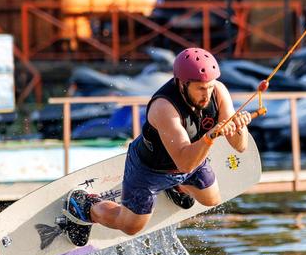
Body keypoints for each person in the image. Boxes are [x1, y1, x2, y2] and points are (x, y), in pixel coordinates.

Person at [64, 47, 252, 243]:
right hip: (150, 168)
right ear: (182, 84)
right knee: (130, 226)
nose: (207, 95)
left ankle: (177, 187)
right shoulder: (163, 107)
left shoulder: (219, 92)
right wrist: (211, 136)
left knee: (211, 200)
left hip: (191, 158)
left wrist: (239, 128)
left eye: (210, 87)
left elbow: (240, 146)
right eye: (200, 88)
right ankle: (87, 207)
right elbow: (185, 164)